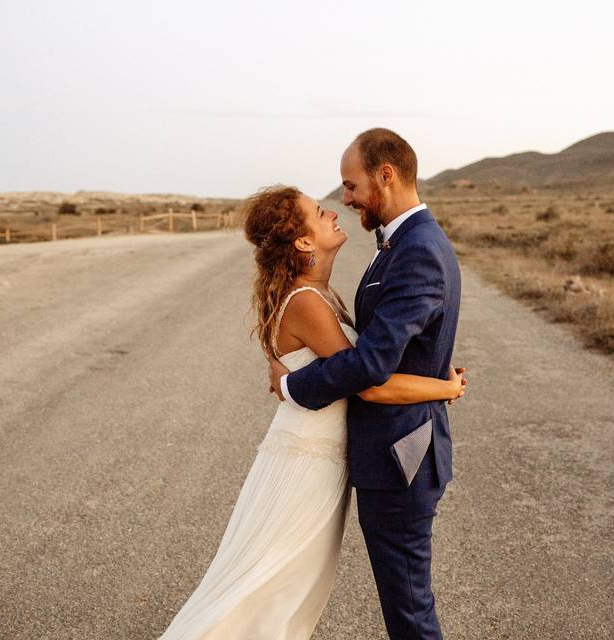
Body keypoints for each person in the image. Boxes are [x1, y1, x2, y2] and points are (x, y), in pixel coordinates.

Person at [155, 182, 465, 640]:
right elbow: (370, 386)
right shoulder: (307, 303)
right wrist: (446, 388)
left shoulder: (322, 295)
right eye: (320, 213)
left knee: (286, 592)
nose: (334, 213)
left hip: (318, 459)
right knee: (272, 590)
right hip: (306, 464)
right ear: (302, 241)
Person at [268, 128, 462, 640]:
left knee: (410, 612)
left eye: (351, 186)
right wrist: (440, 380)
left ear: (386, 175)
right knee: (407, 606)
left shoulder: (415, 249)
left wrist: (293, 387)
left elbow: (372, 366)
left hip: (402, 456)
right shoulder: (399, 244)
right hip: (398, 452)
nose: (346, 198)